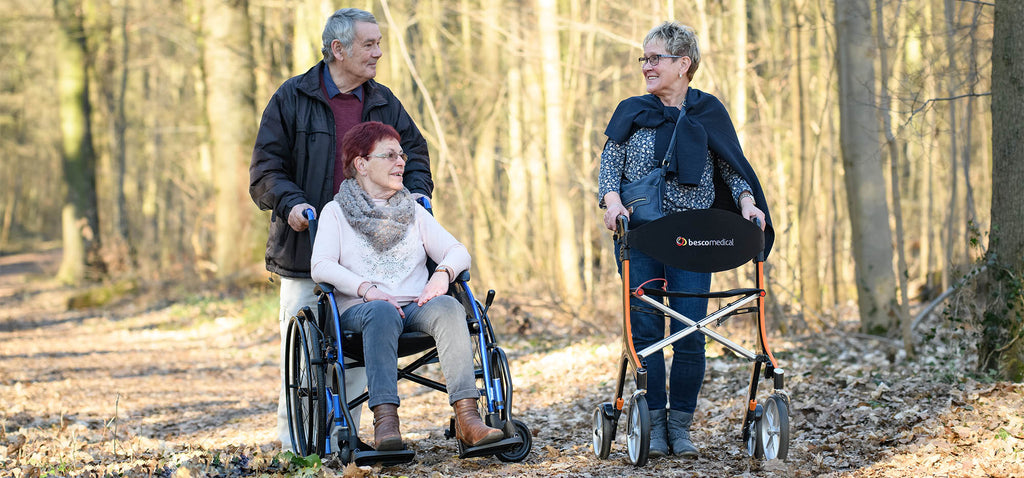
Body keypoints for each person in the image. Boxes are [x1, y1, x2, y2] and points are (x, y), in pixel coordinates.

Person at [249, 8, 432, 451]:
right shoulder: (292, 98)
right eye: (369, 45)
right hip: (305, 250)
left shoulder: (384, 102)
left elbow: (416, 155)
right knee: (304, 357)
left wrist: (419, 194)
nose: (379, 52)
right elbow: (265, 170)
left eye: (378, 42)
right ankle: (299, 448)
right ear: (338, 50)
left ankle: (346, 440)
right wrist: (292, 203)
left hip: (373, 252)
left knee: (356, 354)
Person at [597, 21, 775, 459]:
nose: (646, 66)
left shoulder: (708, 111)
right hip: (641, 237)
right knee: (645, 332)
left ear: (684, 63)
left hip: (695, 239)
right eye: (644, 58)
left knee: (690, 333)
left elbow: (733, 167)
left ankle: (681, 427)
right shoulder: (631, 110)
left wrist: (748, 202)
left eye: (655, 58)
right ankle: (653, 426)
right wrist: (611, 201)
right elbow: (609, 164)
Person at [310, 121, 504, 451]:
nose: (401, 162)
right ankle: (386, 422)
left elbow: (458, 251)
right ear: (361, 164)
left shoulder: (411, 210)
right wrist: (367, 290)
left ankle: (468, 418)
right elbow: (321, 266)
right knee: (382, 312)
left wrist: (442, 274)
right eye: (389, 155)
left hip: (415, 307)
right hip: (361, 312)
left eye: (402, 155)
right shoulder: (335, 213)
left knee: (448, 306)